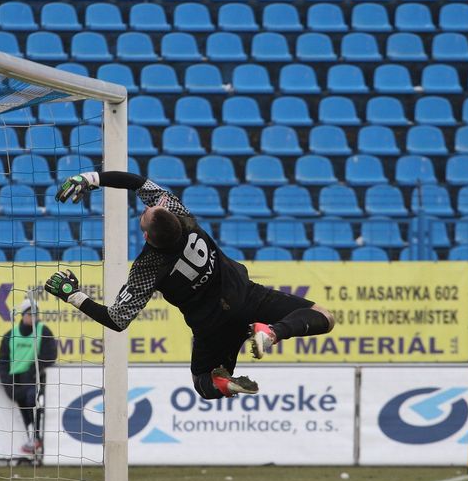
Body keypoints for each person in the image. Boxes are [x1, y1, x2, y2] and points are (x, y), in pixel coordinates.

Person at [45, 171, 335, 400]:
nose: (146, 209)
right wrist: (92, 178)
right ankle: (272, 332)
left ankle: (224, 383)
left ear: (146, 238)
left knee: (204, 383)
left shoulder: (147, 268)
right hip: (246, 296)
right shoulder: (177, 209)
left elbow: (118, 320)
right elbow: (136, 181)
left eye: (143, 217)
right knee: (324, 316)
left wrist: (74, 295)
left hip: (212, 325)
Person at [0, 296, 57, 455]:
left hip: (34, 379)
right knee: (24, 410)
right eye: (30, 314)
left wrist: (34, 373)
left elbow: (50, 356)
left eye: (36, 314)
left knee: (34, 400)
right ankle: (33, 441)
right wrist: (7, 383)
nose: (33, 317)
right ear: (23, 315)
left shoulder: (44, 331)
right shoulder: (10, 335)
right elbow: (3, 361)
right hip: (15, 381)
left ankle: (38, 438)